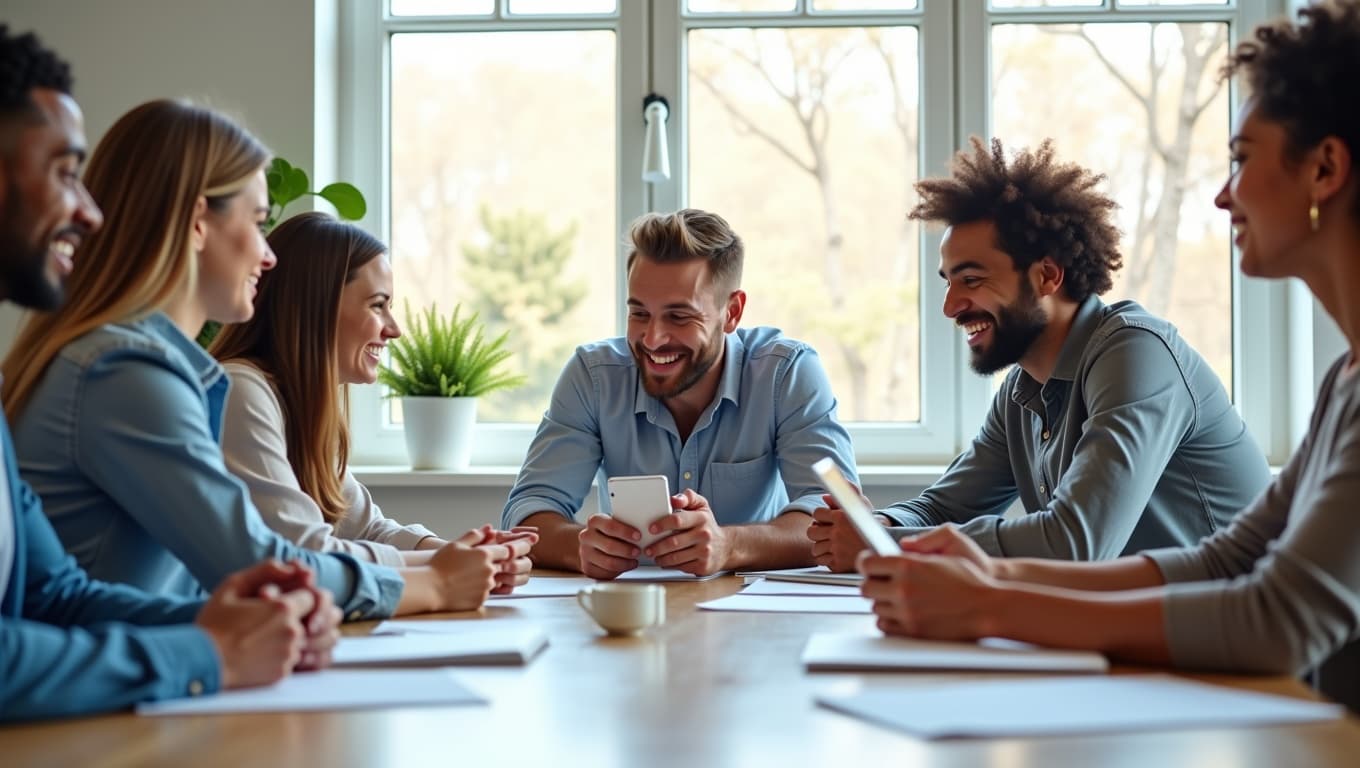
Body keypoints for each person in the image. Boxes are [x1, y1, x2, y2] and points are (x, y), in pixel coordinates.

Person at [859, 0, 1360, 713]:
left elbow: (1276, 617)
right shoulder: (1347, 380)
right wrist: (990, 583)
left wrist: (991, 607)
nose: (1222, 195)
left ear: (1325, 169)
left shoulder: (1136, 350)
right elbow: (1226, 562)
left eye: (1242, 161)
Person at [0, 98, 532, 622]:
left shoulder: (155, 369)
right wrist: (434, 583)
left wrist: (440, 562)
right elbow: (259, 561)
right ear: (198, 222)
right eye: (257, 223)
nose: (268, 253)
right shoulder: (126, 373)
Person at [0, 25, 340, 721]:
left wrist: (227, 623)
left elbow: (52, 595)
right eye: (66, 173)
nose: (89, 213)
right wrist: (208, 654)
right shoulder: (120, 370)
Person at [809, 137, 1271, 571]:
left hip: (1226, 637)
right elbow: (945, 505)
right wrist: (880, 527)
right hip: (1129, 629)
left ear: (1047, 276)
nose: (950, 306)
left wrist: (890, 547)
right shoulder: (1022, 390)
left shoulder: (1136, 354)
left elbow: (1076, 543)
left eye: (971, 280)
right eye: (947, 282)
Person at [503, 208, 857, 579]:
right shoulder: (593, 377)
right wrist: (579, 548)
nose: (653, 339)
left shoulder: (787, 373)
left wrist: (729, 545)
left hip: (752, 609)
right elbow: (529, 508)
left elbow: (839, 522)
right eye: (640, 314)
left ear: (732, 312)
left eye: (679, 316)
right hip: (630, 613)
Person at [210, 212, 530, 568]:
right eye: (378, 305)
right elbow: (303, 549)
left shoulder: (302, 404)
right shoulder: (241, 390)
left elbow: (367, 528)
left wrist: (463, 552)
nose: (394, 329)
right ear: (319, 305)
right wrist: (442, 565)